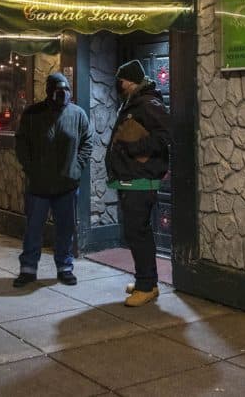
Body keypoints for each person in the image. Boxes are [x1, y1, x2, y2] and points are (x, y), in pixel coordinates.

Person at [13, 72, 92, 287]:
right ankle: (28, 269)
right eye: (58, 90)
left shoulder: (78, 114)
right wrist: (31, 168)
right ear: (49, 91)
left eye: (66, 90)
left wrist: (77, 167)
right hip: (38, 186)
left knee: (65, 229)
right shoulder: (32, 114)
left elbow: (87, 142)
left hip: (67, 185)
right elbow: (22, 143)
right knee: (33, 229)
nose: (63, 94)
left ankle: (65, 267)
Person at [107, 59, 171, 307]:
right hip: (132, 179)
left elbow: (167, 134)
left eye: (120, 80)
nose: (117, 84)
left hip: (141, 180)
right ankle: (147, 281)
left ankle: (146, 286)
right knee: (137, 232)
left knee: (138, 232)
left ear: (129, 80)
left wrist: (134, 148)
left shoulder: (147, 103)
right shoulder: (134, 102)